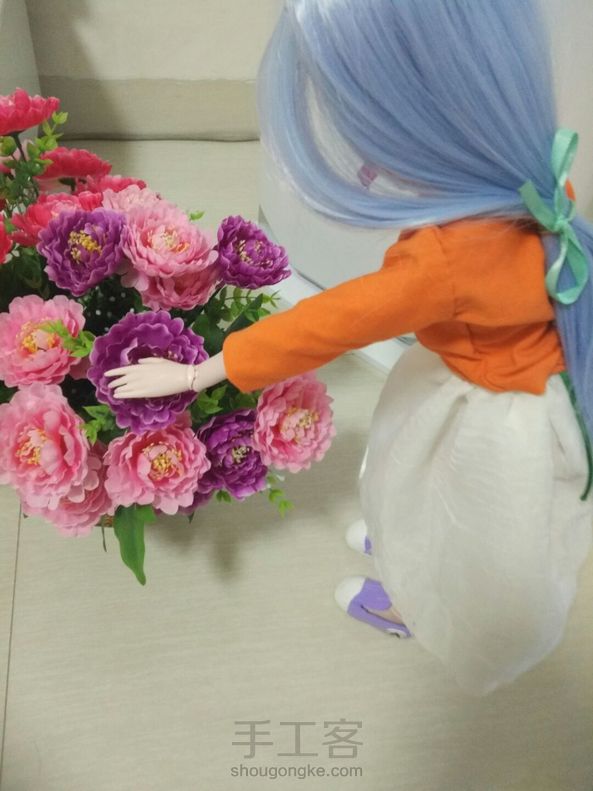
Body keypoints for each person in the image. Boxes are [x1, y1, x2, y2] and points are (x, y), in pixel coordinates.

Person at [105, 0, 593, 696]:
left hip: (485, 417)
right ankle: (407, 549)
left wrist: (197, 372)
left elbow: (327, 323)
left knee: (466, 527)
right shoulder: (540, 182)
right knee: (425, 491)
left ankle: (417, 604)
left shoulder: (445, 260)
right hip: (515, 390)